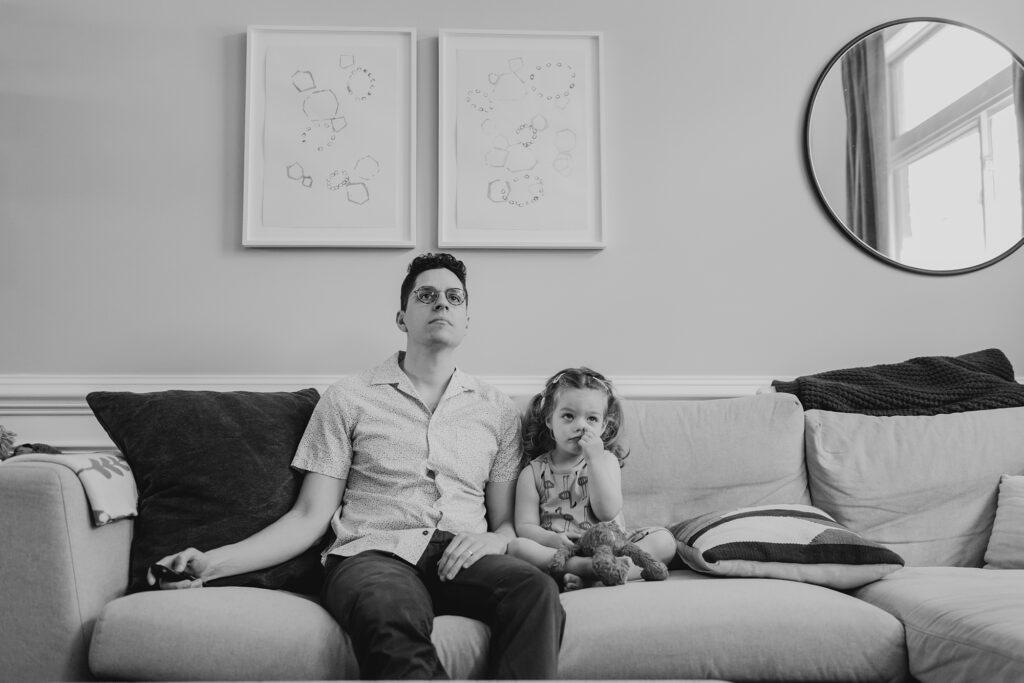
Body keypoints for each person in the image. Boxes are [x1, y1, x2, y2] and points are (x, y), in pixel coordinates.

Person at [148, 252, 565, 679]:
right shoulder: (349, 397)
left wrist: (496, 541)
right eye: (426, 295)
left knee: (535, 590)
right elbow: (309, 515)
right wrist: (211, 564)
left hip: (462, 551)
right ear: (402, 318)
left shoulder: (496, 409)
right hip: (372, 554)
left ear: (467, 320)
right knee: (388, 611)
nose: (442, 303)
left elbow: (504, 522)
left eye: (454, 297)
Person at [506, 367, 677, 591]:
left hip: (610, 544)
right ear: (549, 420)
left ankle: (608, 571)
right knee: (517, 547)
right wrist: (550, 540)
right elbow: (525, 526)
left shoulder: (606, 461)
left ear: (603, 426)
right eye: (568, 416)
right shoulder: (533, 472)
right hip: (563, 549)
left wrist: (594, 460)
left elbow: (607, 512)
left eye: (592, 419)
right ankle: (587, 570)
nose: (580, 425)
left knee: (664, 540)